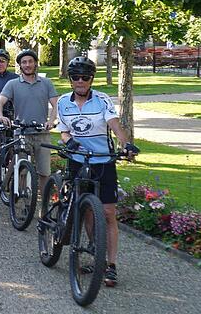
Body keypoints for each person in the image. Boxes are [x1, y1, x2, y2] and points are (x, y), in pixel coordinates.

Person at [56, 56, 139, 287]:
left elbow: (114, 124)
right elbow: (63, 130)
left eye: (85, 77)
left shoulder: (102, 99)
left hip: (103, 161)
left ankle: (110, 265)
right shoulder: (63, 102)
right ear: (70, 80)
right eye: (76, 77)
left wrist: (125, 144)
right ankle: (97, 255)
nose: (80, 81)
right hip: (77, 161)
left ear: (92, 79)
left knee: (108, 212)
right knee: (87, 212)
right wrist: (68, 140)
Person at [0, 49, 59, 193]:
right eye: (24, 62)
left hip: (42, 133)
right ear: (20, 65)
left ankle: (43, 208)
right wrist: (0, 116)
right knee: (22, 171)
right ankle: (21, 204)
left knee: (45, 173)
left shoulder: (46, 83)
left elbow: (56, 104)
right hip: (21, 134)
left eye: (30, 61)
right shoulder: (13, 84)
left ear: (35, 63)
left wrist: (51, 120)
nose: (27, 64)